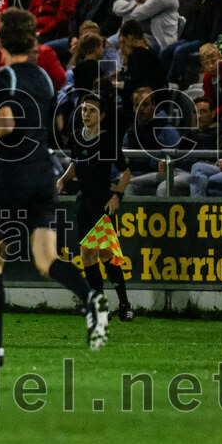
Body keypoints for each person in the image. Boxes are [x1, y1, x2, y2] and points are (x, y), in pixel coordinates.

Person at [0, 8, 108, 367]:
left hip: (13, 175)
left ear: (0, 40)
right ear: (32, 40)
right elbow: (54, 121)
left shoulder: (3, 78)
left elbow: (7, 121)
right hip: (44, 175)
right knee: (47, 259)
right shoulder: (46, 79)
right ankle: (90, 297)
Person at [56, 93, 133, 321]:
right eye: (83, 110)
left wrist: (117, 196)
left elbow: (125, 173)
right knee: (86, 254)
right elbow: (75, 165)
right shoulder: (77, 138)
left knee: (106, 253)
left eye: (91, 110)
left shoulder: (107, 139)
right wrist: (62, 179)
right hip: (85, 201)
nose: (86, 114)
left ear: (101, 115)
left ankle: (125, 304)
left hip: (102, 200)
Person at [162, 0, 222, 85]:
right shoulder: (198, 2)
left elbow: (218, 25)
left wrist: (212, 43)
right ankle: (162, 79)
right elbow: (189, 24)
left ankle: (173, 81)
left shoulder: (219, 2)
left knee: (179, 51)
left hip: (204, 40)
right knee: (165, 51)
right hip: (191, 39)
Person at [122, 87, 181, 196]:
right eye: (137, 105)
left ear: (153, 106)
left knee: (128, 184)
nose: (141, 109)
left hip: (158, 175)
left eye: (145, 105)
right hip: (136, 174)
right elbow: (124, 156)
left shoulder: (166, 128)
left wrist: (163, 161)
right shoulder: (130, 132)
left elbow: (177, 155)